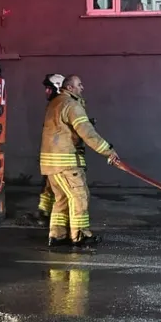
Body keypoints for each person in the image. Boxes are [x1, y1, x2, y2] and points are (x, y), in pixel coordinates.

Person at [40, 74, 119, 248]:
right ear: (70, 88)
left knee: (61, 199)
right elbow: (87, 132)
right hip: (66, 164)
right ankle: (80, 235)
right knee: (79, 197)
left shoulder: (55, 103)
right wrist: (108, 151)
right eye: (79, 85)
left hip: (52, 164)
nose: (82, 88)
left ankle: (57, 235)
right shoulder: (71, 105)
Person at [35, 73, 67, 225]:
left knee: (59, 189)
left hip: (59, 157)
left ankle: (56, 221)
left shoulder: (62, 104)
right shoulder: (54, 104)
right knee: (47, 186)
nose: (46, 92)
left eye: (49, 88)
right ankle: (44, 212)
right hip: (51, 155)